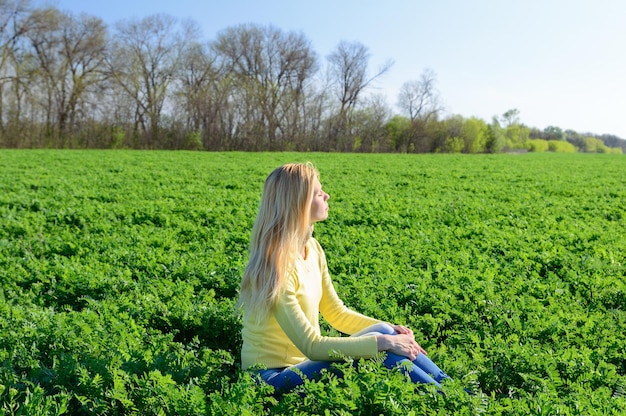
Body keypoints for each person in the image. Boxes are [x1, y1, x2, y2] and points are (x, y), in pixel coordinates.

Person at [237, 162, 449, 392]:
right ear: (299, 204)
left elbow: (337, 313)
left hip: (303, 366)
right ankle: (449, 401)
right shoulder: (275, 265)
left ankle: (457, 392)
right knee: (381, 353)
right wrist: (385, 343)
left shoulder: (313, 249)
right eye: (319, 193)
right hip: (270, 380)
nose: (327, 195)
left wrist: (392, 331)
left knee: (386, 333)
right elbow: (312, 346)